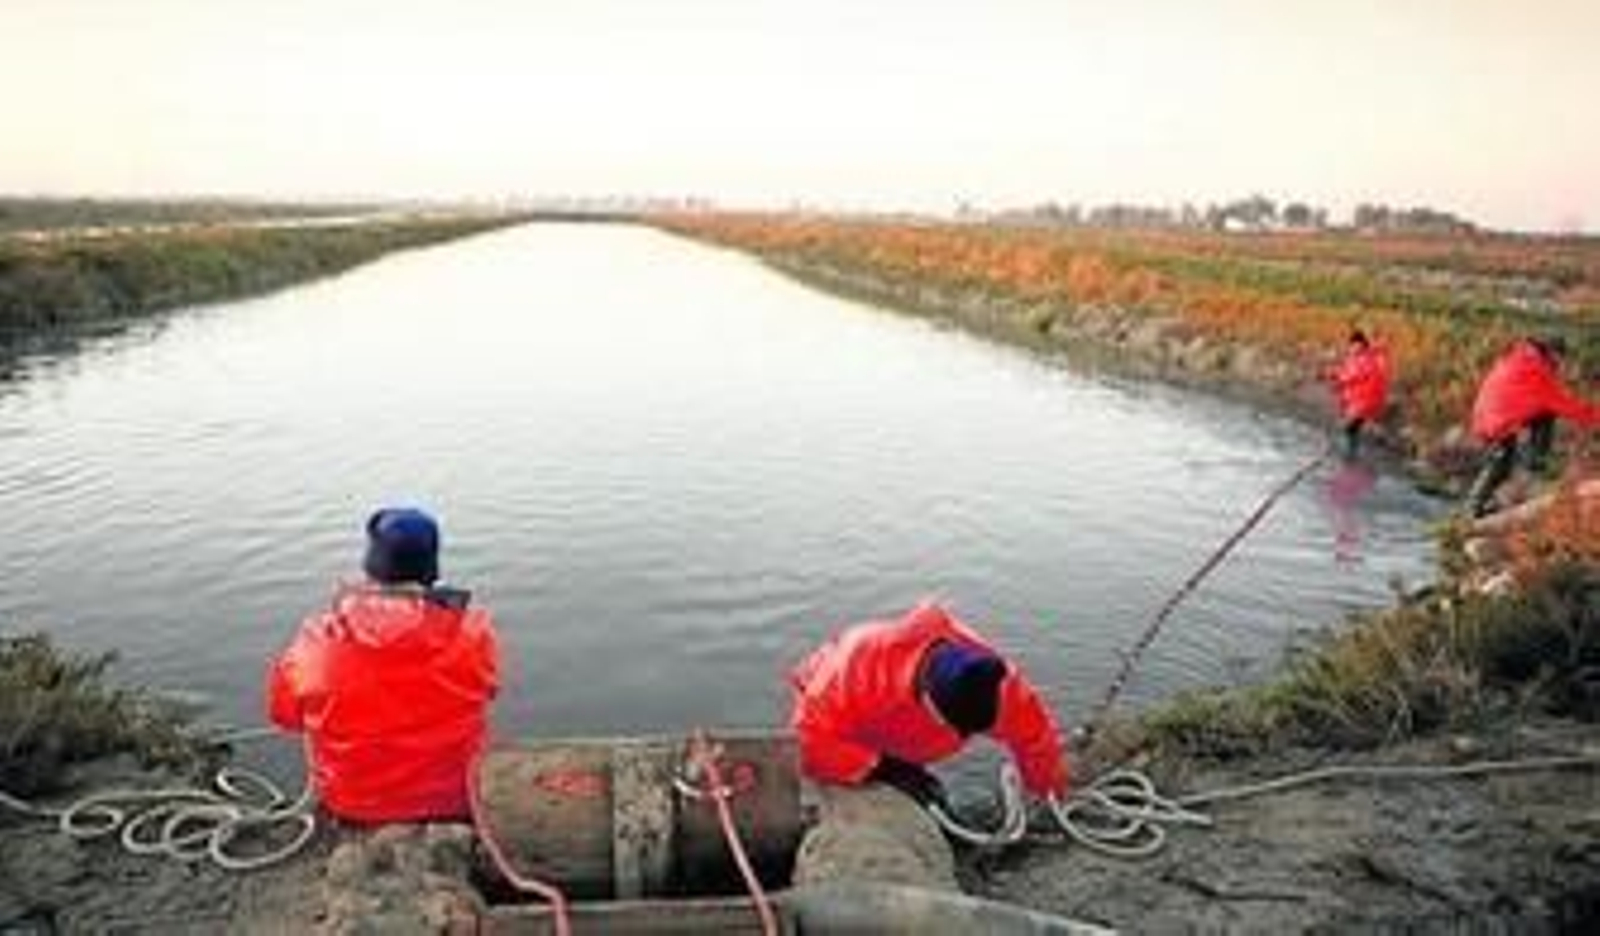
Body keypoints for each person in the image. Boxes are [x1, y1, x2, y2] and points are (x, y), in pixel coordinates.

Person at [267, 507, 500, 823]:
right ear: (432, 568)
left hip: (353, 803)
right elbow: (490, 689)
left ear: (369, 565)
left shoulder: (316, 642)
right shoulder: (475, 632)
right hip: (455, 797)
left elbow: (285, 716)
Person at [788, 602, 1070, 810]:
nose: (963, 737)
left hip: (904, 728)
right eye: (956, 727)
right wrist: (882, 768)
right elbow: (807, 742)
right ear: (927, 698)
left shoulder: (998, 687)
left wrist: (1049, 797)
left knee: (927, 793)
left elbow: (1036, 740)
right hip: (846, 725)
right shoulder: (850, 675)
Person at [1465, 336, 1599, 518]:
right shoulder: (1537, 371)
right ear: (1553, 353)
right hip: (1495, 420)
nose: (1561, 363)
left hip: (1488, 414)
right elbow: (1570, 408)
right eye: (1561, 358)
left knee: (1540, 419)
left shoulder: (1521, 358)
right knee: (1500, 463)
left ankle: (1533, 461)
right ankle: (1473, 509)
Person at [1325, 329, 1390, 458]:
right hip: (1365, 401)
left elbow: (1352, 376)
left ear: (1360, 345)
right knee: (1352, 427)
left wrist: (1335, 378)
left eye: (1354, 345)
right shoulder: (1366, 357)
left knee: (1349, 427)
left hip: (1364, 402)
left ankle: (1352, 452)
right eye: (1351, 345)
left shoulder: (1364, 359)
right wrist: (1335, 376)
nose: (1352, 348)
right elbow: (1348, 374)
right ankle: (1356, 449)